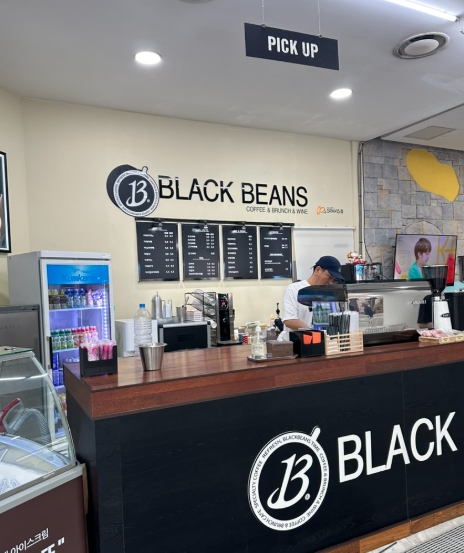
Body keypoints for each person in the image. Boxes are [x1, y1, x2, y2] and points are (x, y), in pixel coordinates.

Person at [282, 255, 344, 333]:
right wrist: (315, 333)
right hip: (298, 340)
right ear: (318, 270)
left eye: (334, 280)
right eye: (330, 277)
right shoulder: (294, 289)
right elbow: (289, 321)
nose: (331, 283)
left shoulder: (328, 295)